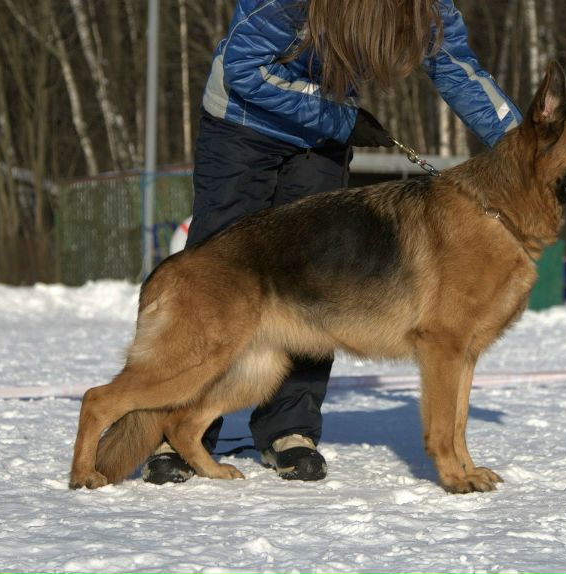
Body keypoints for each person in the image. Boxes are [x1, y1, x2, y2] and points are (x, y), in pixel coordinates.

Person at [142, 0, 522, 485]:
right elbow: (244, 68)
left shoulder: (430, 6)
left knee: (322, 279)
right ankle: (169, 429)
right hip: (242, 122)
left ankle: (289, 428)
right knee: (215, 276)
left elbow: (457, 69)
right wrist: (341, 119)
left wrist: (528, 145)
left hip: (319, 138)